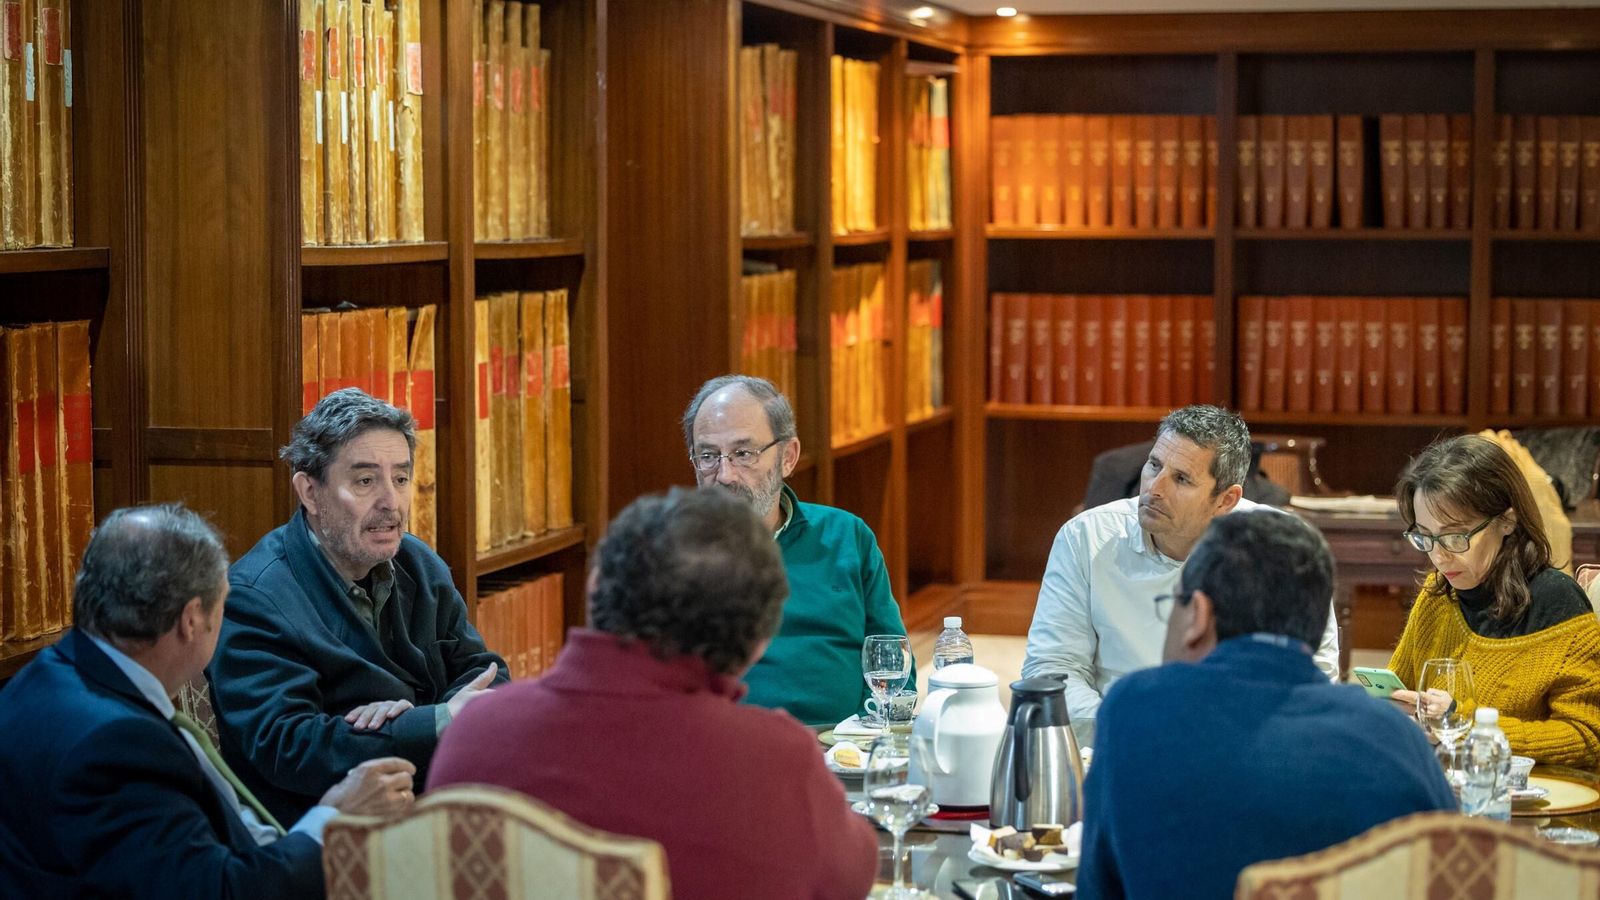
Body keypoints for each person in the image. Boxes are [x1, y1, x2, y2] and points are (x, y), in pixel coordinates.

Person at [427, 487, 878, 900]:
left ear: (594, 586)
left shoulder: (473, 734)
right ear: (759, 641)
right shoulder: (776, 760)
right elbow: (851, 879)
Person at [0, 504, 416, 899]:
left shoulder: (43, 676)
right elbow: (217, 892)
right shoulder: (116, 746)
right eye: (223, 604)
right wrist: (335, 821)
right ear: (192, 619)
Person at [1076, 510, 1455, 900]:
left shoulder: (1135, 711)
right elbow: (1454, 872)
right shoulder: (1394, 735)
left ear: (1198, 615)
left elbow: (1096, 890)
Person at [209, 389, 508, 825]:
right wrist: (437, 721)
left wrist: (428, 720)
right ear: (310, 492)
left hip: (430, 805)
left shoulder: (418, 562)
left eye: (401, 479)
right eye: (366, 481)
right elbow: (290, 746)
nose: (391, 503)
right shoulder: (256, 597)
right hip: (327, 833)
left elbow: (487, 674)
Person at [1021, 405, 1339, 739]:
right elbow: (1052, 669)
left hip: (1239, 740)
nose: (1154, 488)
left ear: (1226, 500)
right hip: (1118, 735)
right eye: (1154, 465)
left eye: (1182, 479)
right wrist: (1132, 725)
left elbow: (1313, 671)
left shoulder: (1280, 550)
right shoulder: (1086, 537)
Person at [681, 374, 912, 726]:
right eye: (708, 456)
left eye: (743, 454)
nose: (725, 475)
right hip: (728, 746)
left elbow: (894, 662)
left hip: (843, 744)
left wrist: (866, 742)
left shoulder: (846, 536)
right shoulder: (669, 555)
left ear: (787, 457)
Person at [1388, 434, 1600, 768]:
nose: (1439, 557)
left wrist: (1467, 726)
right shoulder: (1438, 595)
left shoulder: (1557, 603)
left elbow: (1587, 738)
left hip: (1530, 793)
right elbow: (1399, 692)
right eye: (1424, 537)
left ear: (1507, 521)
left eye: (1455, 536)